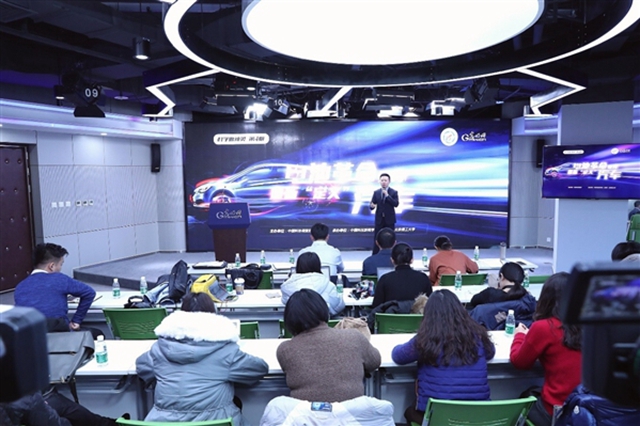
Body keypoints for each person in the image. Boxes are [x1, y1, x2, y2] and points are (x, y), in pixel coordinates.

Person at [136, 293, 268, 425]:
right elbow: (259, 369)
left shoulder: (160, 349)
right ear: (213, 315)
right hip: (216, 421)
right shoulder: (226, 351)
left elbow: (142, 368)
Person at [392, 289, 495, 425]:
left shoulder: (425, 340)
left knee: (409, 412)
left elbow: (398, 356)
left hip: (437, 418)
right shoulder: (477, 336)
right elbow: (490, 352)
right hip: (477, 416)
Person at [276, 289, 381, 402]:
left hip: (308, 412)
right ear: (324, 311)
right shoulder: (354, 337)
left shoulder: (285, 350)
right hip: (351, 411)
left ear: (289, 320)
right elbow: (374, 362)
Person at [510, 273, 582, 426]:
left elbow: (519, 362)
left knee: (523, 400)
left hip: (556, 412)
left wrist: (519, 336)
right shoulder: (590, 326)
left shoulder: (544, 328)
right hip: (585, 410)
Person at [14, 243, 97, 335]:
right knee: (97, 333)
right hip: (60, 334)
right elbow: (89, 293)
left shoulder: (20, 287)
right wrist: (76, 320)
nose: (60, 268)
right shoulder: (59, 278)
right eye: (61, 264)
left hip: (29, 337)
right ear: (52, 266)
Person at [280, 252, 345, 316]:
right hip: (322, 322)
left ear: (298, 267)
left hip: (295, 322)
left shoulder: (287, 287)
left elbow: (285, 303)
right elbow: (339, 306)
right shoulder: (328, 285)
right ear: (318, 266)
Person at [371, 243, 432, 309]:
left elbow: (376, 307)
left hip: (390, 315)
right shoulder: (423, 278)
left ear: (392, 260)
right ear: (412, 260)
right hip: (417, 315)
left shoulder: (384, 279)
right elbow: (430, 305)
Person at [369, 173, 399, 255]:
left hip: (389, 220)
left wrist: (388, 196)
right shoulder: (376, 192)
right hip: (379, 220)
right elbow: (372, 204)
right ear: (379, 181)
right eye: (382, 180)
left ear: (389, 181)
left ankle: (392, 255)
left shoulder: (394, 192)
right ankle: (375, 255)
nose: (383, 182)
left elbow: (396, 204)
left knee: (391, 238)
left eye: (385, 180)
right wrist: (371, 206)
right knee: (377, 238)